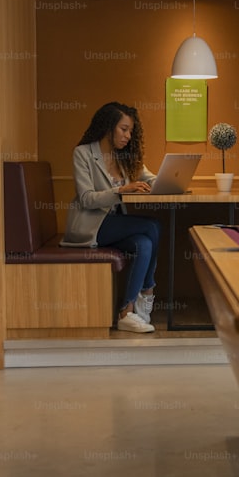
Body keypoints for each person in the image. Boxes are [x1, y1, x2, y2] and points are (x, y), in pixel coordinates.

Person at [61, 102, 160, 334]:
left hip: (115, 226)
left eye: (130, 131)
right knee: (152, 226)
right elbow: (86, 198)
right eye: (123, 129)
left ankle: (126, 313)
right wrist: (121, 191)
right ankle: (147, 292)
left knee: (144, 243)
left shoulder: (125, 157)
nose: (127, 136)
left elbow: (150, 177)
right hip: (90, 226)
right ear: (108, 127)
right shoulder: (83, 153)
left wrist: (167, 184)